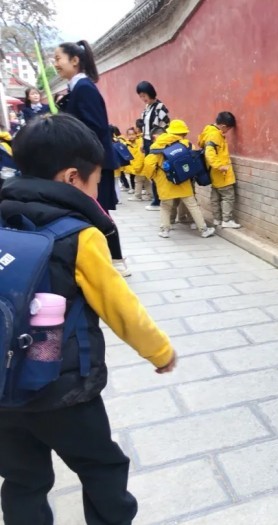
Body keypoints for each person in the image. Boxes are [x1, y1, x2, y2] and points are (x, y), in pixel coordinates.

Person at [0, 113, 177, 524]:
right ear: (72, 177)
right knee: (102, 467)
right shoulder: (79, 235)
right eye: (97, 180)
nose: (98, 190)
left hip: (3, 389)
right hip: (63, 389)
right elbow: (120, 307)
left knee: (23, 481)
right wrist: (160, 351)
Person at [53, 40, 131, 277]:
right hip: (88, 163)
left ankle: (117, 260)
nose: (55, 64)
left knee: (100, 211)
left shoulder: (84, 88)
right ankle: (107, 258)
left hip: (94, 164)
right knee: (94, 211)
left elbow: (95, 127)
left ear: (74, 60)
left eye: (58, 59)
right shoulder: (77, 89)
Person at [143, 119, 215, 239]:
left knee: (165, 207)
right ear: (184, 133)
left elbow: (149, 164)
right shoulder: (187, 145)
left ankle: (165, 230)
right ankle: (203, 230)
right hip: (183, 181)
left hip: (165, 182)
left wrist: (153, 177)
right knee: (192, 205)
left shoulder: (157, 144)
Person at [198, 111, 240, 228]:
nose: (227, 132)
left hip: (213, 172)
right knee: (228, 196)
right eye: (228, 129)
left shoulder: (208, 131)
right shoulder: (215, 135)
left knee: (215, 197)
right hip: (222, 172)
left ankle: (217, 219)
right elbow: (209, 153)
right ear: (223, 126)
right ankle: (226, 220)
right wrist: (220, 166)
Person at [136, 81, 170, 212]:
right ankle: (157, 198)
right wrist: (143, 143)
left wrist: (160, 142)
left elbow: (166, 125)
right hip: (147, 142)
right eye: (141, 96)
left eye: (144, 95)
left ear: (151, 93)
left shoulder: (159, 107)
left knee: (156, 170)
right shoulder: (147, 108)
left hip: (156, 143)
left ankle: (158, 200)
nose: (143, 99)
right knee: (151, 170)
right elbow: (144, 128)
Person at [125, 127, 147, 201]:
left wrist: (137, 167)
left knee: (138, 181)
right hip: (139, 166)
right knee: (147, 181)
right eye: (129, 135)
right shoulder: (128, 144)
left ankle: (137, 196)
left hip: (141, 166)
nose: (131, 136)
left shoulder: (140, 142)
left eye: (133, 134)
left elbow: (140, 156)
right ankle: (150, 195)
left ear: (136, 135)